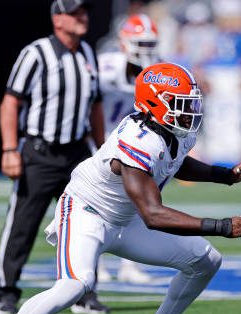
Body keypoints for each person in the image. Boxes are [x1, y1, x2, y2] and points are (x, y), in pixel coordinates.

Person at [0, 62, 241, 314]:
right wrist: (223, 226)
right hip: (87, 213)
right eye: (180, 103)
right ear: (155, 102)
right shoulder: (138, 139)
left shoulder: (169, 129)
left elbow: (175, 162)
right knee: (74, 286)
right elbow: (154, 214)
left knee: (206, 260)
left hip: (126, 219)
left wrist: (227, 175)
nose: (189, 111)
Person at [0, 0, 106, 314]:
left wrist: (102, 150)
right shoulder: (36, 53)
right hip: (40, 152)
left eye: (84, 12)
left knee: (87, 222)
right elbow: (10, 102)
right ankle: (6, 290)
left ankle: (84, 291)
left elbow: (95, 106)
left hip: (76, 153)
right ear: (58, 19)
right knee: (23, 224)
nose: (83, 17)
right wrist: (9, 149)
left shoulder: (87, 53)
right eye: (75, 13)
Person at [89, 13, 161, 287]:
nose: (146, 50)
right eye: (140, 43)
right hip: (100, 143)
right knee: (98, 205)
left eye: (150, 43)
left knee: (138, 204)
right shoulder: (104, 67)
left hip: (133, 146)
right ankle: (96, 262)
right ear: (124, 42)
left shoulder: (157, 71)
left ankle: (130, 265)